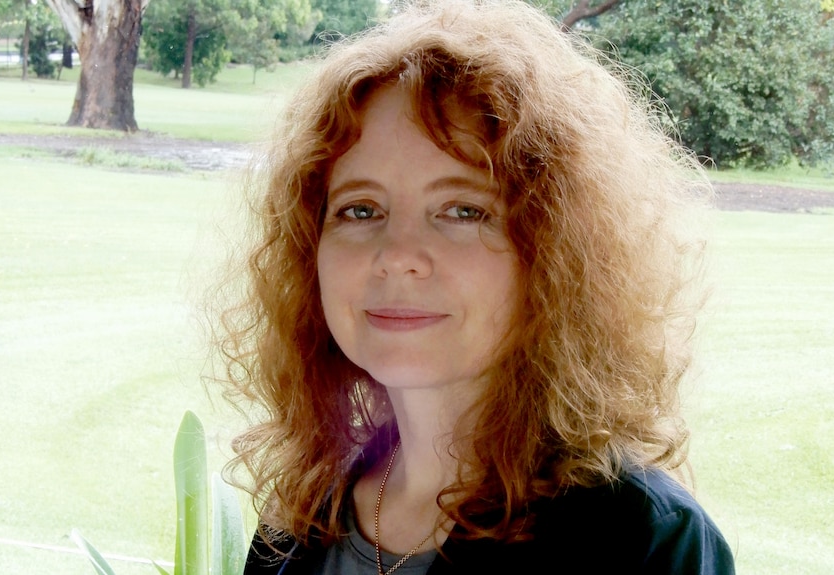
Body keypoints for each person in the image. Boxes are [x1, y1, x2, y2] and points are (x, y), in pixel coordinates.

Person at [217, 1, 735, 573]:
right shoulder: (298, 515)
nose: (397, 257)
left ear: (555, 256)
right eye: (360, 209)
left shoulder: (638, 539)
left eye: (463, 210)